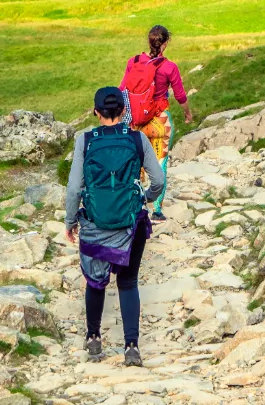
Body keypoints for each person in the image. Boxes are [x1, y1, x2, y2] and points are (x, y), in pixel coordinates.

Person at [65, 86, 165, 366]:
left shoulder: (85, 141)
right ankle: (131, 347)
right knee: (129, 282)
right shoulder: (137, 139)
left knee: (95, 283)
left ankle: (94, 338)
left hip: (96, 223)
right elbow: (158, 180)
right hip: (131, 222)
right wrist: (146, 199)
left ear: (96, 111)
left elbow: (74, 189)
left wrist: (71, 221)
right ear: (123, 111)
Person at [120, 25, 192, 221]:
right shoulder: (170, 67)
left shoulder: (133, 62)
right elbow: (180, 95)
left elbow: (122, 89)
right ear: (166, 43)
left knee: (135, 162)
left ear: (148, 41)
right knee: (161, 163)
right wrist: (188, 113)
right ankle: (157, 209)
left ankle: (134, 204)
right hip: (160, 121)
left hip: (136, 123)